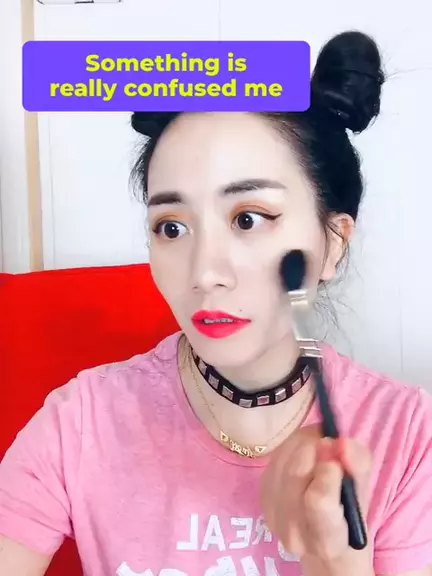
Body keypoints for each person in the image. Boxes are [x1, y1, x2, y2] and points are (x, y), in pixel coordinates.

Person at [1, 30, 432, 576]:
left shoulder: (406, 434)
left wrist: (335, 563)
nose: (203, 272)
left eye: (248, 219)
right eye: (171, 227)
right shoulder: (80, 422)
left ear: (333, 242)